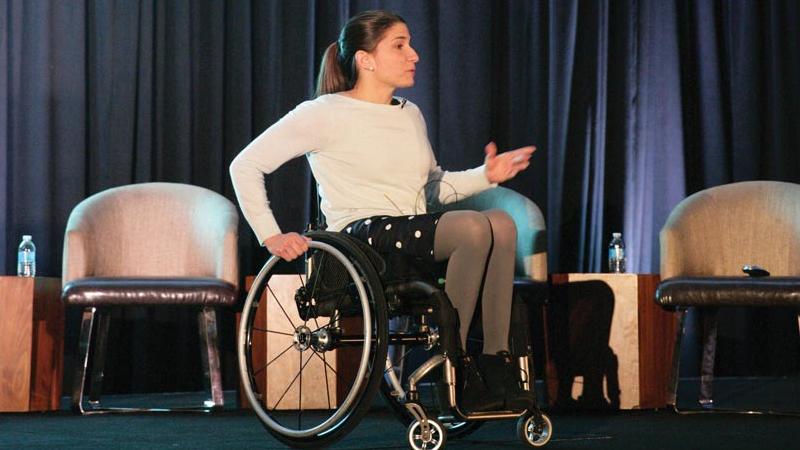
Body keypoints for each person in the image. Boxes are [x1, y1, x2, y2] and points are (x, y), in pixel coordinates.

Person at [230, 10, 535, 412]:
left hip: (413, 233)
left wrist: (485, 175)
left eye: (410, 43)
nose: (414, 54)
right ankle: (456, 366)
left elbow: (431, 189)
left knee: (500, 222)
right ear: (365, 59)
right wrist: (270, 234)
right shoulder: (323, 112)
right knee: (475, 228)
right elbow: (245, 165)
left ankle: (496, 364)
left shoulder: (410, 114)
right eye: (399, 45)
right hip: (362, 239)